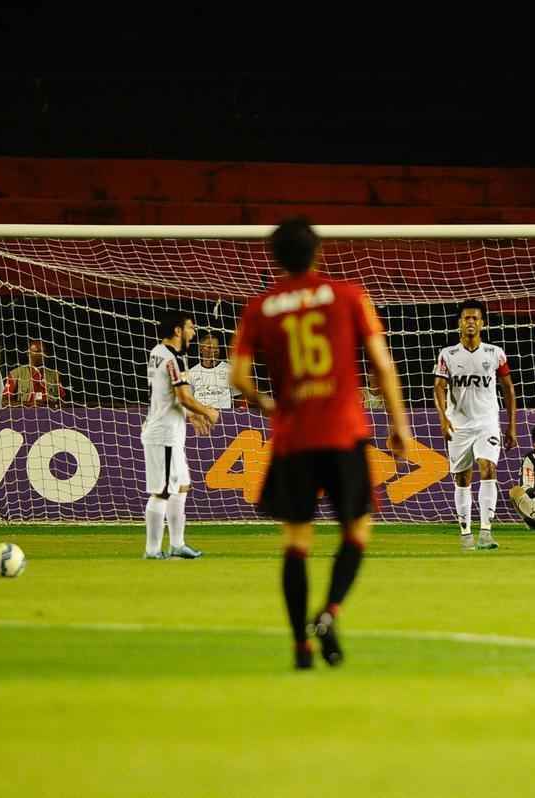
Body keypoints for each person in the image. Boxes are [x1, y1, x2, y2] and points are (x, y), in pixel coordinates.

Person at [229, 217, 413, 671]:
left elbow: (237, 379)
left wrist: (266, 403)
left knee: (296, 542)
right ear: (319, 252)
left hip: (293, 439)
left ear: (275, 258)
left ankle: (299, 647)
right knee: (357, 531)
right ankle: (330, 613)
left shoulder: (259, 308)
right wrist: (399, 426)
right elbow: (383, 368)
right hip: (343, 431)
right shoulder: (349, 296)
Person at [433, 300, 518, 551]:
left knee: (488, 468)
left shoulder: (495, 353)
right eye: (466, 318)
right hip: (458, 426)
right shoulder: (447, 354)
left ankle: (486, 532)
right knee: (462, 479)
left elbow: (508, 389)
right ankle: (465, 533)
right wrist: (443, 417)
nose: (470, 322)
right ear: (459, 323)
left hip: (487, 423)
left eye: (475, 318)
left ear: (482, 323)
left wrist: (511, 426)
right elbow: (438, 387)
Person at [141, 312, 220, 560]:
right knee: (163, 491)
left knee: (182, 486)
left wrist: (192, 416)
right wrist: (207, 411)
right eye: (190, 327)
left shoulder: (158, 353)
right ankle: (152, 550)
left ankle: (177, 544)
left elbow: (171, 397)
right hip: (163, 434)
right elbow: (183, 397)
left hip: (171, 432)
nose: (193, 332)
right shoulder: (172, 359)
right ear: (178, 331)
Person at [1, 339, 64, 408]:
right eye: (38, 351)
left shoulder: (54, 375)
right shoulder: (15, 374)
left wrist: (53, 405)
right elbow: (4, 402)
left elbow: (63, 402)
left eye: (44, 351)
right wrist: (28, 405)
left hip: (50, 416)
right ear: (28, 353)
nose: (42, 354)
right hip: (25, 416)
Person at [188, 333, 239, 410]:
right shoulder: (192, 372)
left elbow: (237, 396)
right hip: (201, 415)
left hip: (225, 417)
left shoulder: (229, 370)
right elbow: (189, 399)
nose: (214, 350)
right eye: (210, 347)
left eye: (216, 347)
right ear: (201, 350)